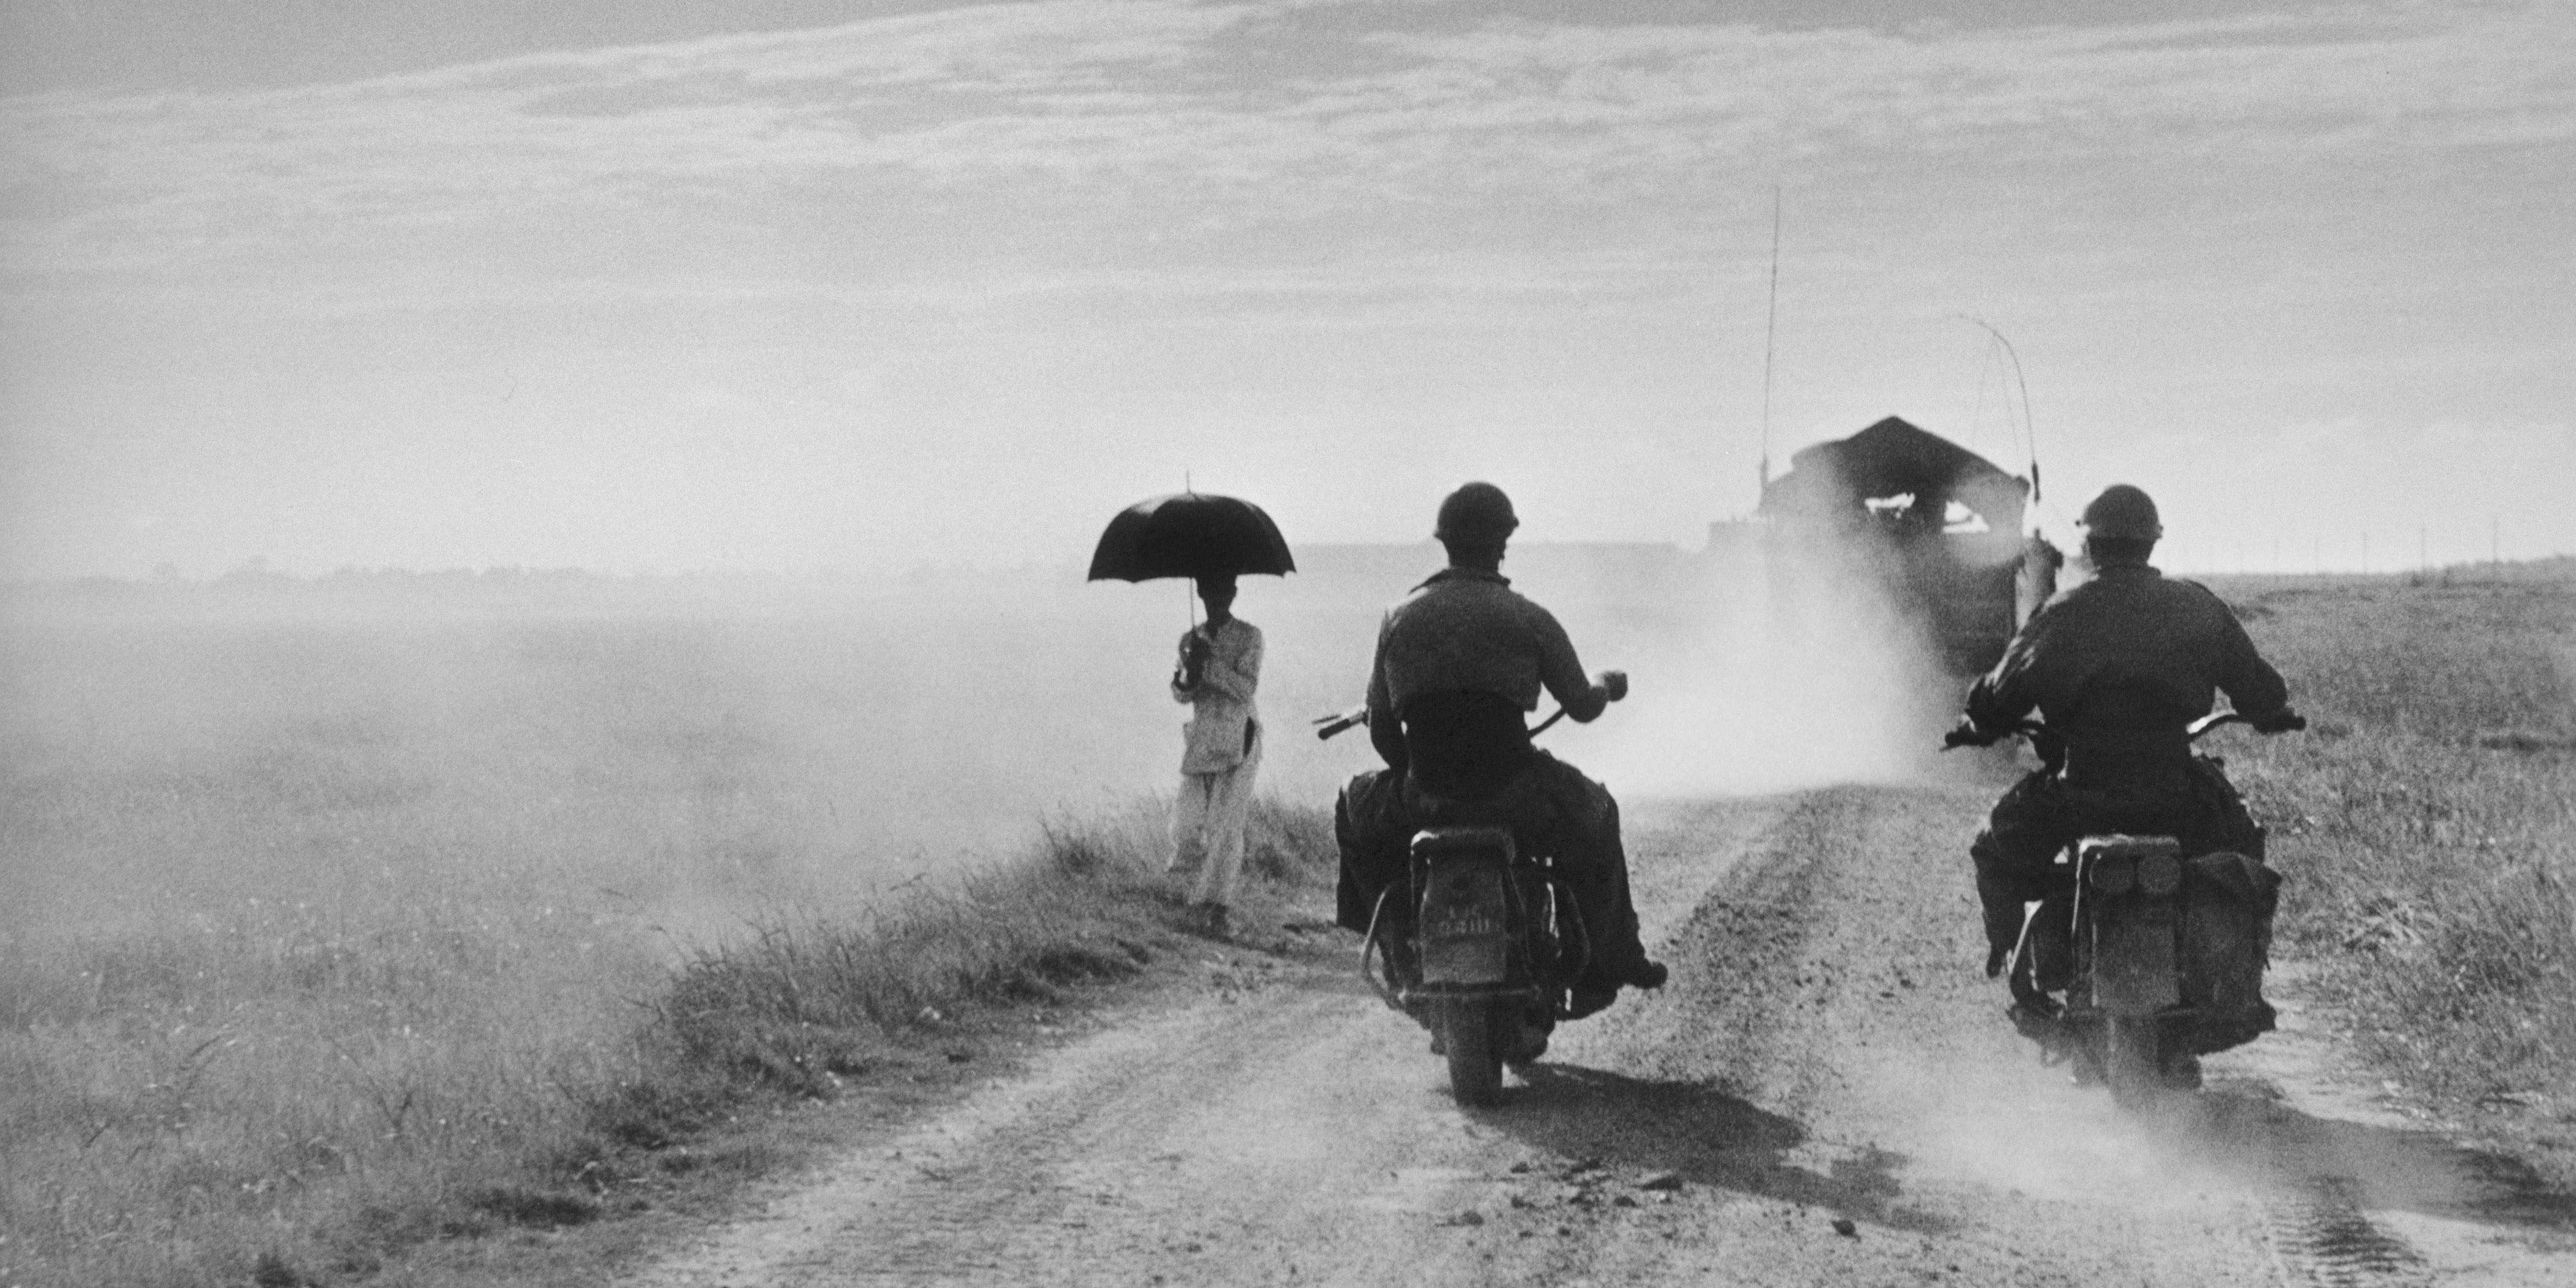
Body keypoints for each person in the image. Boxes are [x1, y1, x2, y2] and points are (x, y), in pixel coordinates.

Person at [1335, 482, 1666, 1017]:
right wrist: (1604, 684)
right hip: (1516, 796)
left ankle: (1396, 945)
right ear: (1502, 543)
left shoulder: (1398, 617)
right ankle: (1608, 962)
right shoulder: (1527, 616)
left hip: (1425, 795)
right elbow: (1582, 706)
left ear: (1444, 541)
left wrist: (1421, 772)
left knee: (1352, 808)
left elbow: (1382, 733)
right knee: (1600, 815)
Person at [1948, 484, 2299, 983]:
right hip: (2175, 795)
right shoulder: (2197, 606)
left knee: (1994, 849)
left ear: (2090, 546)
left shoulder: (2059, 614)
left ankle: (2011, 961)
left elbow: (1996, 698)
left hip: (2080, 796)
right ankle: (2238, 978)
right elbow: (2262, 692)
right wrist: (2271, 713)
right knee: (2242, 848)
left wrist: (1979, 724)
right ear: (2152, 542)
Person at [1169, 574, 1264, 936]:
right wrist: (1190, 672)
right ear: (1201, 592)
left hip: (1241, 736)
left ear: (1234, 593)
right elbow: (1182, 694)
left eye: (1223, 591)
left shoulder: (1250, 637)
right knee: (1186, 824)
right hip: (1203, 739)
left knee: (1226, 827)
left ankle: (1216, 909)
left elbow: (1245, 688)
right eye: (1210, 591)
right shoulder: (1189, 640)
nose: (1216, 599)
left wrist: (1208, 665)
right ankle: (1193, 900)